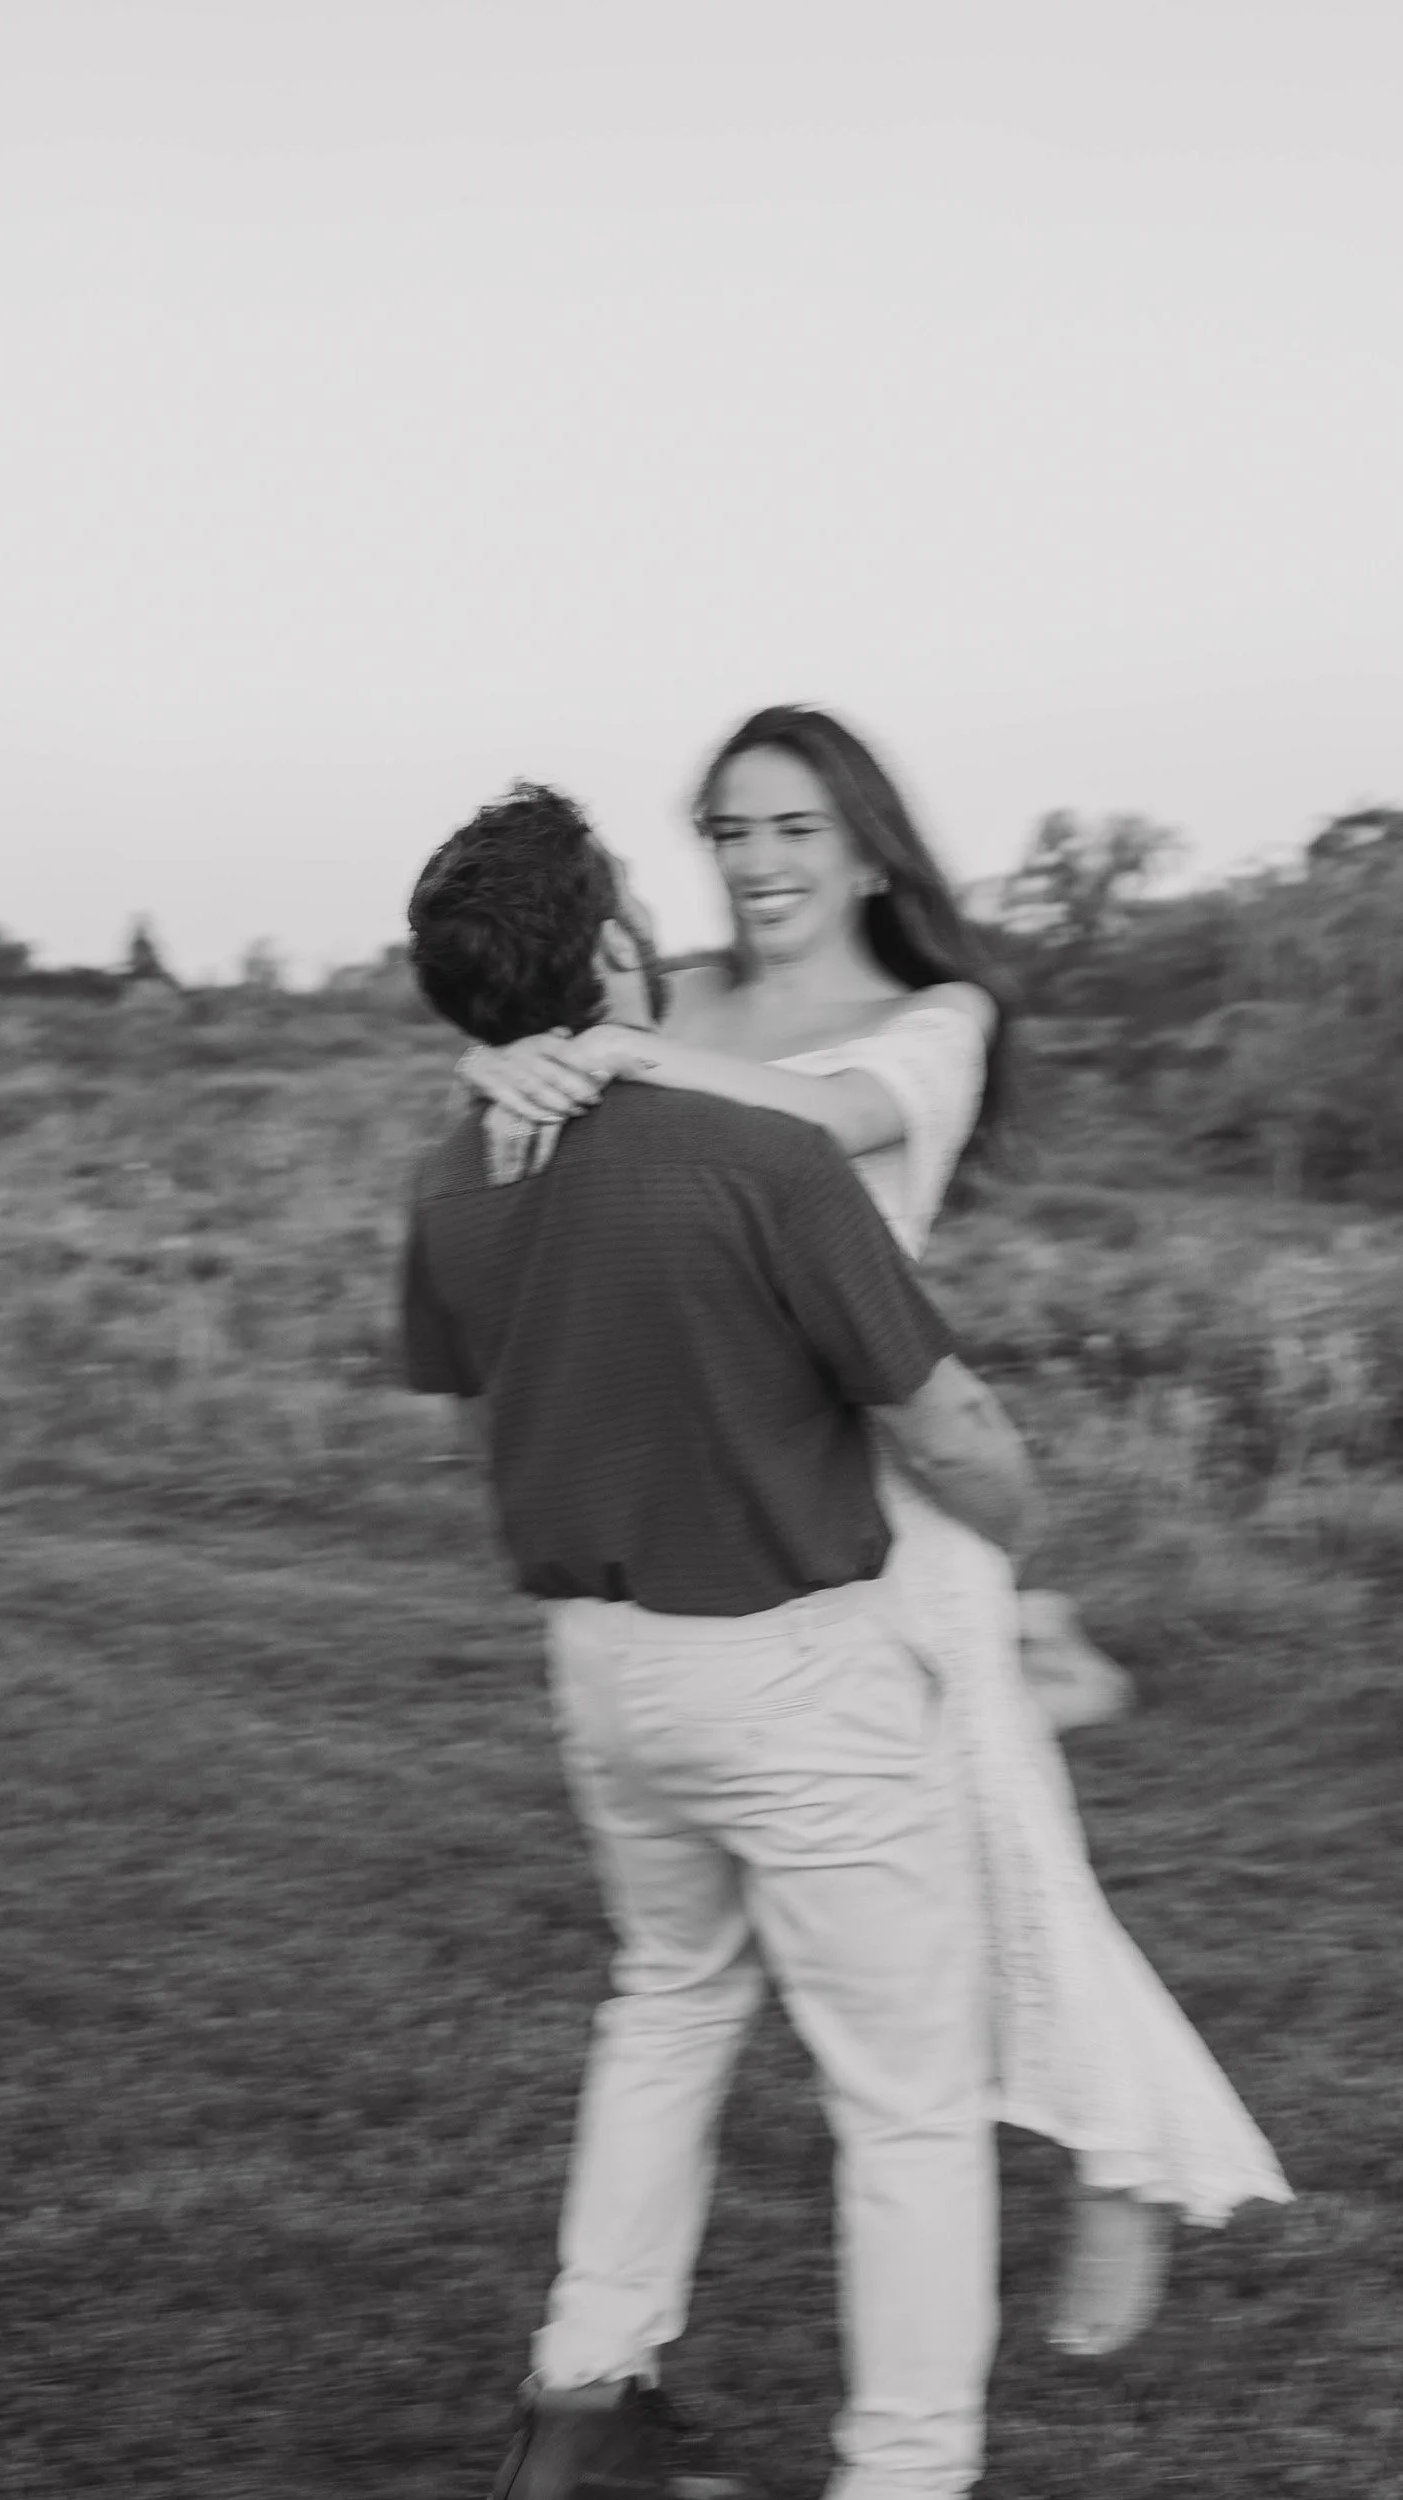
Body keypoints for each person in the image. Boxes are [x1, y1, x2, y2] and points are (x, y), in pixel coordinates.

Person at [456, 706, 1292, 2357]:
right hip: (724, 1497)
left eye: (791, 830)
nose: (758, 864)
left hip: (893, 1498)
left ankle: (1129, 2153)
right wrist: (503, 1062)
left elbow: (813, 1126)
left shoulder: (938, 1018)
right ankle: (1107, 2130)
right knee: (929, 1887)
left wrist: (615, 1059)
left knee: (1002, 1859)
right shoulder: (681, 995)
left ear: (864, 846)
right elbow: (537, 1091)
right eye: (730, 832)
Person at [403, 781, 1043, 2500]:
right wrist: (1021, 1534)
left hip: (599, 1667)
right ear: (613, 946)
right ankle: (904, 2475)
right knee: (904, 2098)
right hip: (789, 1662)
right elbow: (949, 1424)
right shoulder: (763, 1155)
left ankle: (583, 2405)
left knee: (669, 2001)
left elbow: (481, 1385)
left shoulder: (460, 1166)